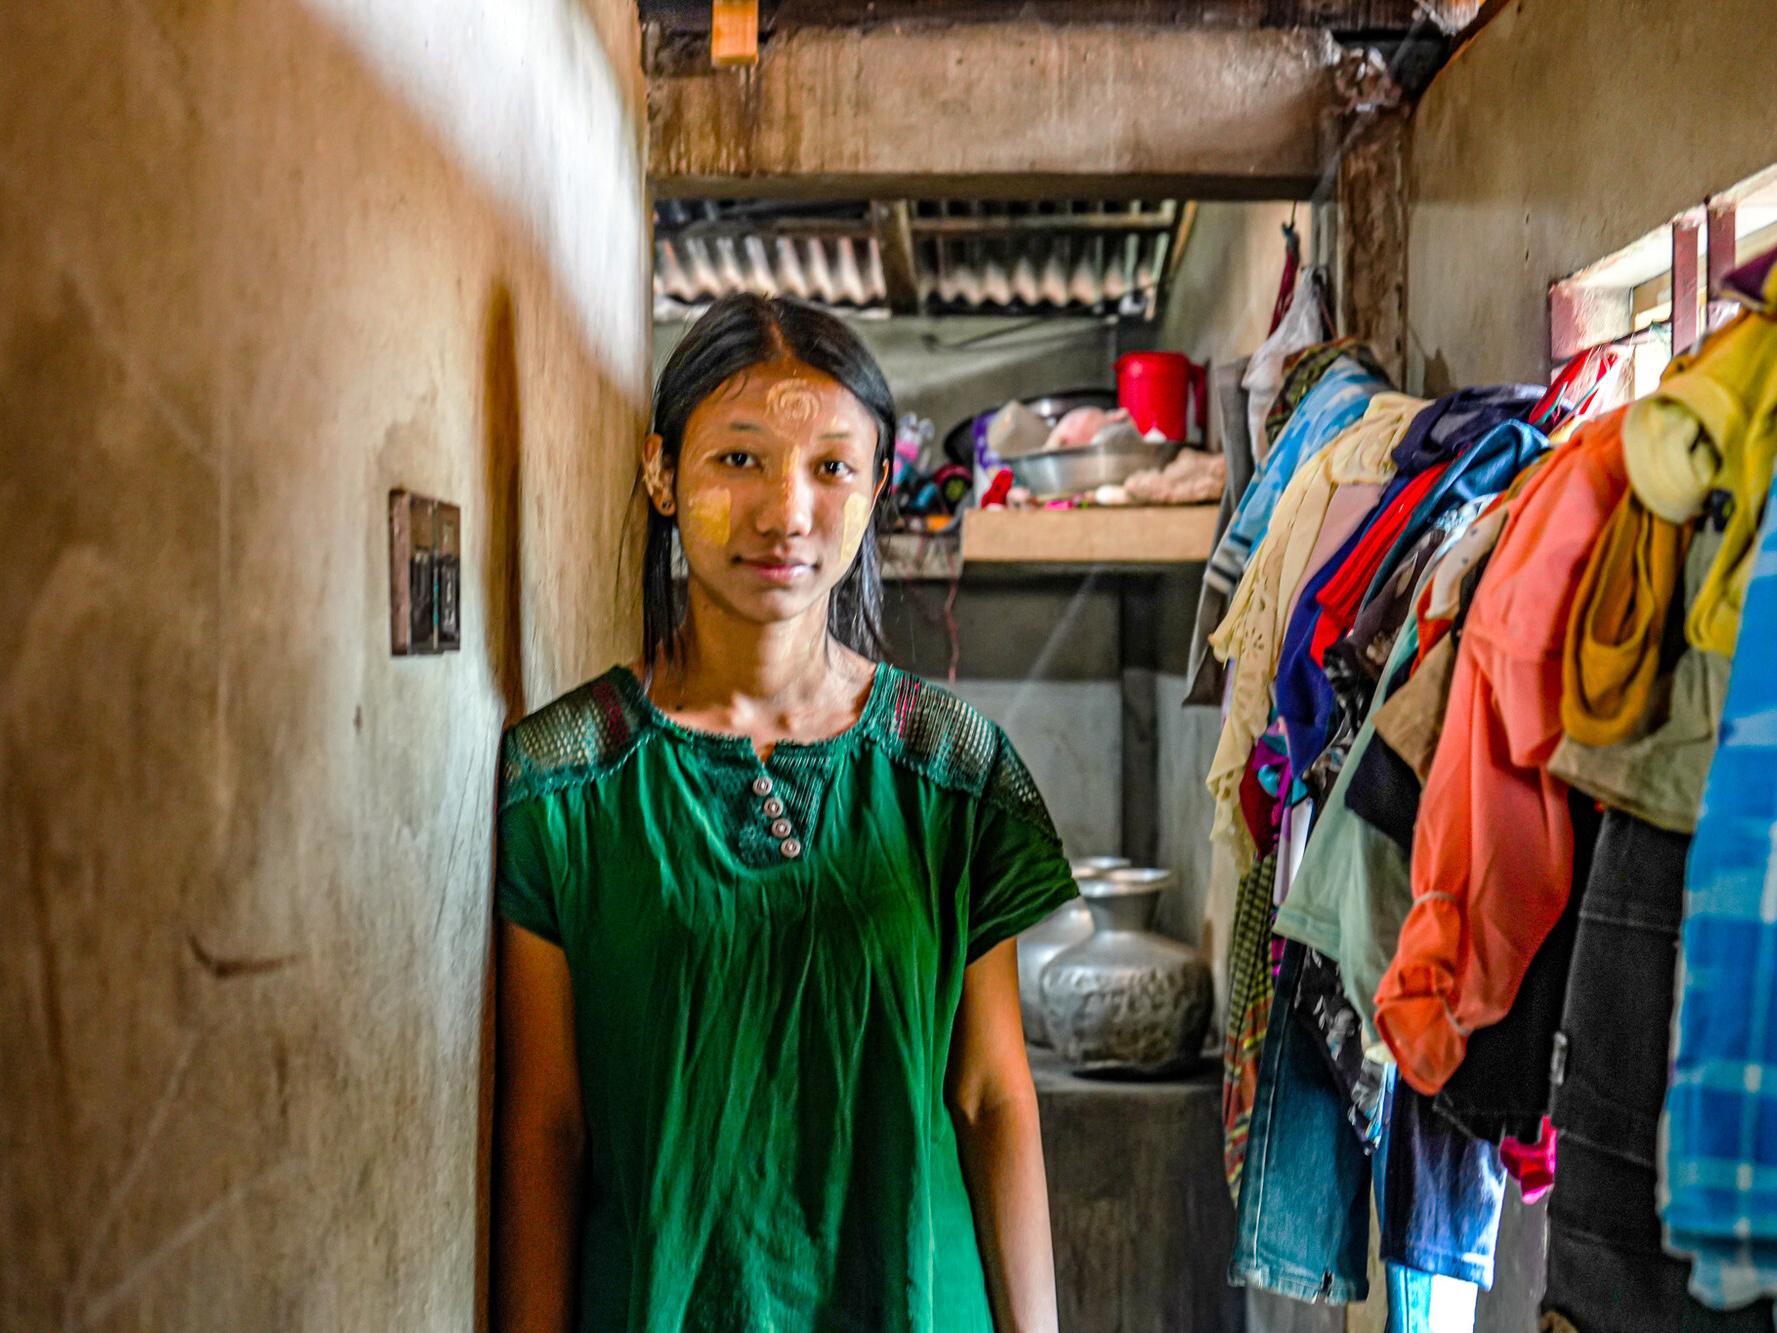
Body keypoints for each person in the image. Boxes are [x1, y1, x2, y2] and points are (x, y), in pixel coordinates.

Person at [492, 293, 1079, 1332]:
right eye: (739, 459)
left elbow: (991, 1097)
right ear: (662, 475)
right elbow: (549, 1129)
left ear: (876, 487)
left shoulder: (949, 767)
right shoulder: (563, 780)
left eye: (831, 467)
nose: (786, 512)